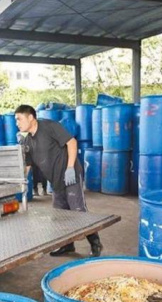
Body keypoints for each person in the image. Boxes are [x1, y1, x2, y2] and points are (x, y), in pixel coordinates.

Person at [15, 105, 102, 257]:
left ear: (30, 117)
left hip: (70, 174)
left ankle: (96, 243)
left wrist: (70, 168)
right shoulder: (27, 141)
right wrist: (22, 181)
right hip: (55, 180)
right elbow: (28, 164)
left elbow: (72, 143)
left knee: (78, 210)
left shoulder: (49, 126)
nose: (17, 123)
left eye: (19, 119)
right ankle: (67, 246)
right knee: (60, 215)